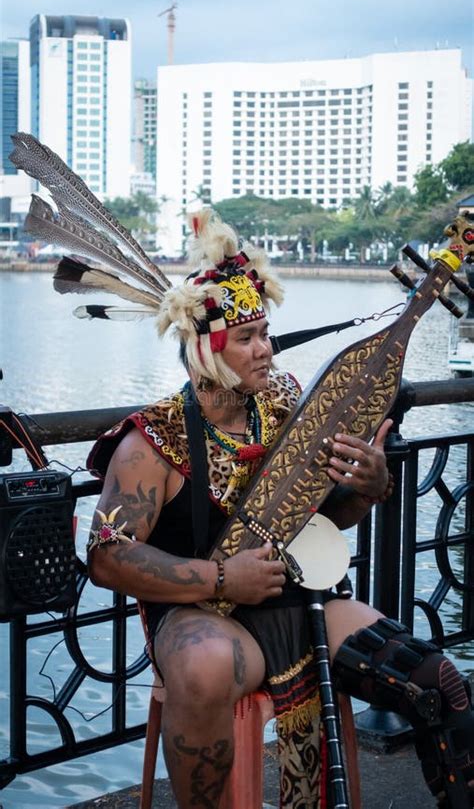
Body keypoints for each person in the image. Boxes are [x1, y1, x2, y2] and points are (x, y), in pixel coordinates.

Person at [87, 210, 473, 809]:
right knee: (203, 668)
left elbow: (328, 516)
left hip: (296, 600)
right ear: (207, 348)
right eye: (247, 338)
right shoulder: (151, 442)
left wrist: (370, 485)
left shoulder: (288, 401)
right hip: (201, 614)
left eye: (266, 332)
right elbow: (107, 558)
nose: (266, 350)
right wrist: (221, 577)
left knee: (437, 682)